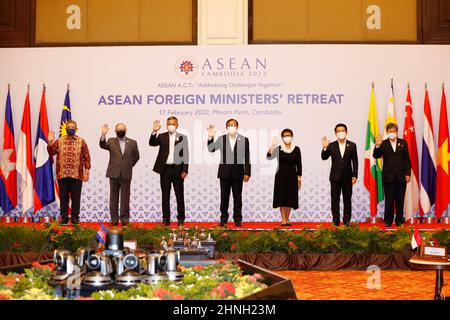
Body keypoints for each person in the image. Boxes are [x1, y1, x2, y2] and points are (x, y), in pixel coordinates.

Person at [207, 119, 251, 227]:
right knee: (224, 197)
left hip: (238, 172)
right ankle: (223, 219)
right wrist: (210, 137)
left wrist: (247, 172)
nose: (232, 127)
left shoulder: (244, 140)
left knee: (237, 197)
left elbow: (247, 157)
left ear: (237, 127)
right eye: (229, 125)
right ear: (226, 127)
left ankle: (237, 219)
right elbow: (211, 149)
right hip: (224, 172)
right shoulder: (221, 139)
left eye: (234, 125)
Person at [47, 120, 91, 226]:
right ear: (66, 128)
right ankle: (64, 219)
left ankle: (75, 219)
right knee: (64, 198)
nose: (70, 128)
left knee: (76, 198)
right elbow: (51, 153)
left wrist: (87, 172)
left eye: (73, 127)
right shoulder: (59, 140)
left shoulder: (81, 141)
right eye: (69, 127)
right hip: (62, 175)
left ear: (76, 129)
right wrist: (49, 142)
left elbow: (86, 157)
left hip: (77, 175)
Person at [149, 117, 189, 226]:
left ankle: (181, 218)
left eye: (173, 123)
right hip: (165, 169)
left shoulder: (182, 137)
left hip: (178, 169)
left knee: (179, 195)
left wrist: (185, 170)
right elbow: (152, 143)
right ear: (166, 125)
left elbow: (185, 154)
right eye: (169, 123)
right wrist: (154, 131)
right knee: (165, 195)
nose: (171, 125)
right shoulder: (161, 136)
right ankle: (166, 218)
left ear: (177, 125)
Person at [100, 123, 140, 227]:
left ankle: (124, 219)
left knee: (125, 197)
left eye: (122, 129)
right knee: (113, 196)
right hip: (113, 172)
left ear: (126, 129)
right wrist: (103, 135)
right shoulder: (111, 141)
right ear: (115, 130)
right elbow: (103, 145)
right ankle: (114, 219)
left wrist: (128, 166)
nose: (120, 130)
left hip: (126, 173)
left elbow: (136, 156)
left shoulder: (132, 142)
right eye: (118, 129)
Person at [373, 122, 411, 227]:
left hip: (401, 177)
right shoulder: (383, 143)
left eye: (394, 131)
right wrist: (377, 145)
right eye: (390, 131)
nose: (392, 133)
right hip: (388, 177)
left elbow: (407, 160)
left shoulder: (403, 143)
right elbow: (376, 156)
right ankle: (388, 220)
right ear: (387, 132)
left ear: (397, 132)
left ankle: (399, 220)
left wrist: (408, 174)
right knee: (389, 200)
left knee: (400, 199)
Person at [321, 123, 358, 226]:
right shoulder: (331, 145)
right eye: (338, 131)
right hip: (335, 177)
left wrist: (354, 175)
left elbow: (355, 162)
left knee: (347, 200)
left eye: (342, 130)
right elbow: (324, 157)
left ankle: (346, 221)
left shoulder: (352, 145)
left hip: (348, 177)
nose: (341, 132)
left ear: (346, 132)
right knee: (335, 200)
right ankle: (335, 221)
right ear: (335, 133)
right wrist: (325, 148)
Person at [267, 129, 302, 226]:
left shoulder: (297, 149)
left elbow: (299, 164)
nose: (287, 137)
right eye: (285, 135)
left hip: (292, 176)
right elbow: (269, 156)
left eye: (289, 135)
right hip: (280, 175)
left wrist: (299, 179)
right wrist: (273, 145)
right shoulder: (279, 148)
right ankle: (283, 219)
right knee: (282, 197)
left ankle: (288, 218)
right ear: (282, 137)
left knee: (290, 197)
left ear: (292, 136)